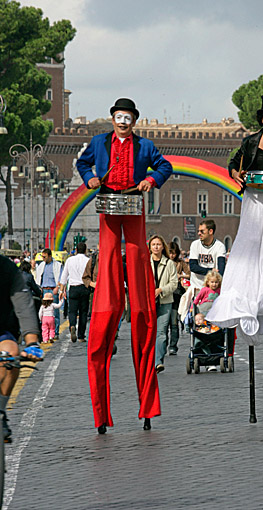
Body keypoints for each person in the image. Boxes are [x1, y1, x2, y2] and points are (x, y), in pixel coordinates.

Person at [76, 97, 172, 433]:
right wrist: (89, 178)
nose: (122, 122)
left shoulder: (145, 146)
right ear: (112, 119)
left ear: (133, 121)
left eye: (127, 117)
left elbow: (164, 167)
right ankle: (109, 300)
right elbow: (83, 164)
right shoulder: (99, 143)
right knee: (109, 281)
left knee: (136, 260)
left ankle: (147, 405)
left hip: (133, 205)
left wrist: (151, 181)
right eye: (118, 117)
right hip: (107, 204)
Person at [206, 95, 263, 345]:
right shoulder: (250, 142)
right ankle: (243, 298)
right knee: (249, 245)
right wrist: (237, 174)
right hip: (254, 199)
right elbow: (233, 164)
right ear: (262, 118)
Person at [0, 255, 44, 442]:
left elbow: (24, 305)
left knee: (11, 356)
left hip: (2, 331)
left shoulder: (7, 269)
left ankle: (0, 411)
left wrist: (32, 342)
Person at [149, 235, 178, 373]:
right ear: (150, 247)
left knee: (161, 332)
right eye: (153, 244)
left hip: (165, 301)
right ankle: (149, 361)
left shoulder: (169, 263)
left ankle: (158, 361)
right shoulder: (144, 263)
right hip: (148, 303)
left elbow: (174, 284)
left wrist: (161, 290)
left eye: (158, 244)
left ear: (162, 247)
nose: (156, 247)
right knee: (149, 332)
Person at [60, 242, 90, 343]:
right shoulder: (88, 260)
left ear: (76, 250)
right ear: (85, 250)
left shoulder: (69, 260)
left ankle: (72, 325)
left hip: (73, 288)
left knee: (72, 311)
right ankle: (81, 335)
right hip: (85, 287)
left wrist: (61, 289)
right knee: (83, 313)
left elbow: (64, 276)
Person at [189, 219, 226, 290]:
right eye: (198, 231)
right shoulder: (195, 244)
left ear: (210, 231)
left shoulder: (220, 246)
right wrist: (211, 271)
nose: (199, 233)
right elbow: (193, 266)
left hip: (212, 288)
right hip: (197, 286)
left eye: (202, 231)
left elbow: (221, 269)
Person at [168, 241, 190, 355]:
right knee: (164, 323)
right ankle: (164, 343)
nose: (172, 255)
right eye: (170, 253)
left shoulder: (180, 263)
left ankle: (173, 346)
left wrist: (181, 275)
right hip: (165, 294)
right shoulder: (164, 262)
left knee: (174, 321)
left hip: (176, 293)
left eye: (174, 253)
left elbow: (190, 273)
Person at [35, 248, 63, 340]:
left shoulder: (57, 265)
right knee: (45, 312)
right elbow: (38, 277)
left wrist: (57, 288)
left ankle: (55, 332)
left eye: (44, 257)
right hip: (44, 290)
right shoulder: (41, 265)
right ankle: (46, 333)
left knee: (54, 312)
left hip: (53, 290)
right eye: (42, 256)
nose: (43, 258)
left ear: (50, 256)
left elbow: (60, 278)